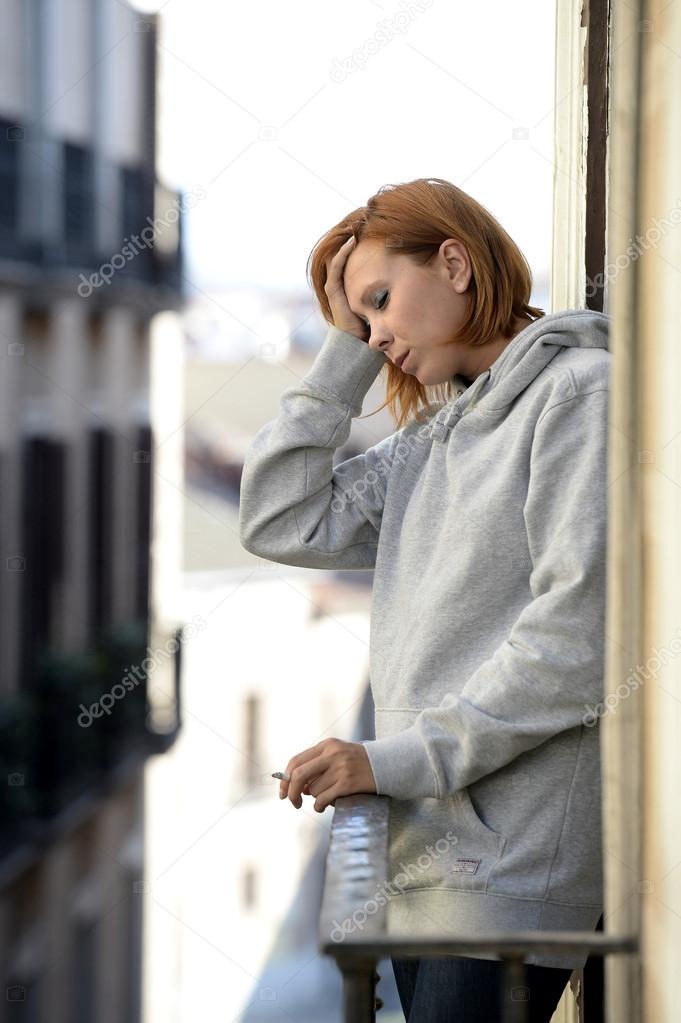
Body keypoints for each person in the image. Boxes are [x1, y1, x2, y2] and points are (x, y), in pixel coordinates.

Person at [238, 177, 609, 1022]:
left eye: (379, 303)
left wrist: (386, 762)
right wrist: (343, 350)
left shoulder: (576, 392)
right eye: (360, 321)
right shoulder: (433, 438)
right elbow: (278, 518)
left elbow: (575, 644)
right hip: (425, 857)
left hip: (508, 867)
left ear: (453, 262)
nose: (377, 335)